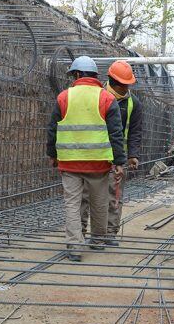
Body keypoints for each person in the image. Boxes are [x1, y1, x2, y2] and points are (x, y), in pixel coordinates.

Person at [47, 56, 126, 262]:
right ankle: (98, 240)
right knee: (99, 201)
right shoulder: (107, 98)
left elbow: (52, 130)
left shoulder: (64, 97)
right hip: (98, 162)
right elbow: (116, 134)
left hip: (69, 161)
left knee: (72, 203)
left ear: (78, 75)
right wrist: (119, 162)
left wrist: (52, 155)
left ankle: (74, 247)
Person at [80, 60, 143, 246]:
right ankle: (81, 233)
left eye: (128, 84)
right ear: (113, 81)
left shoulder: (134, 103)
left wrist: (132, 155)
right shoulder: (97, 96)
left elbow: (135, 131)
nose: (126, 88)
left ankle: (109, 233)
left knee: (114, 195)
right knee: (85, 194)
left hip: (117, 157)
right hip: (93, 155)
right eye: (124, 85)